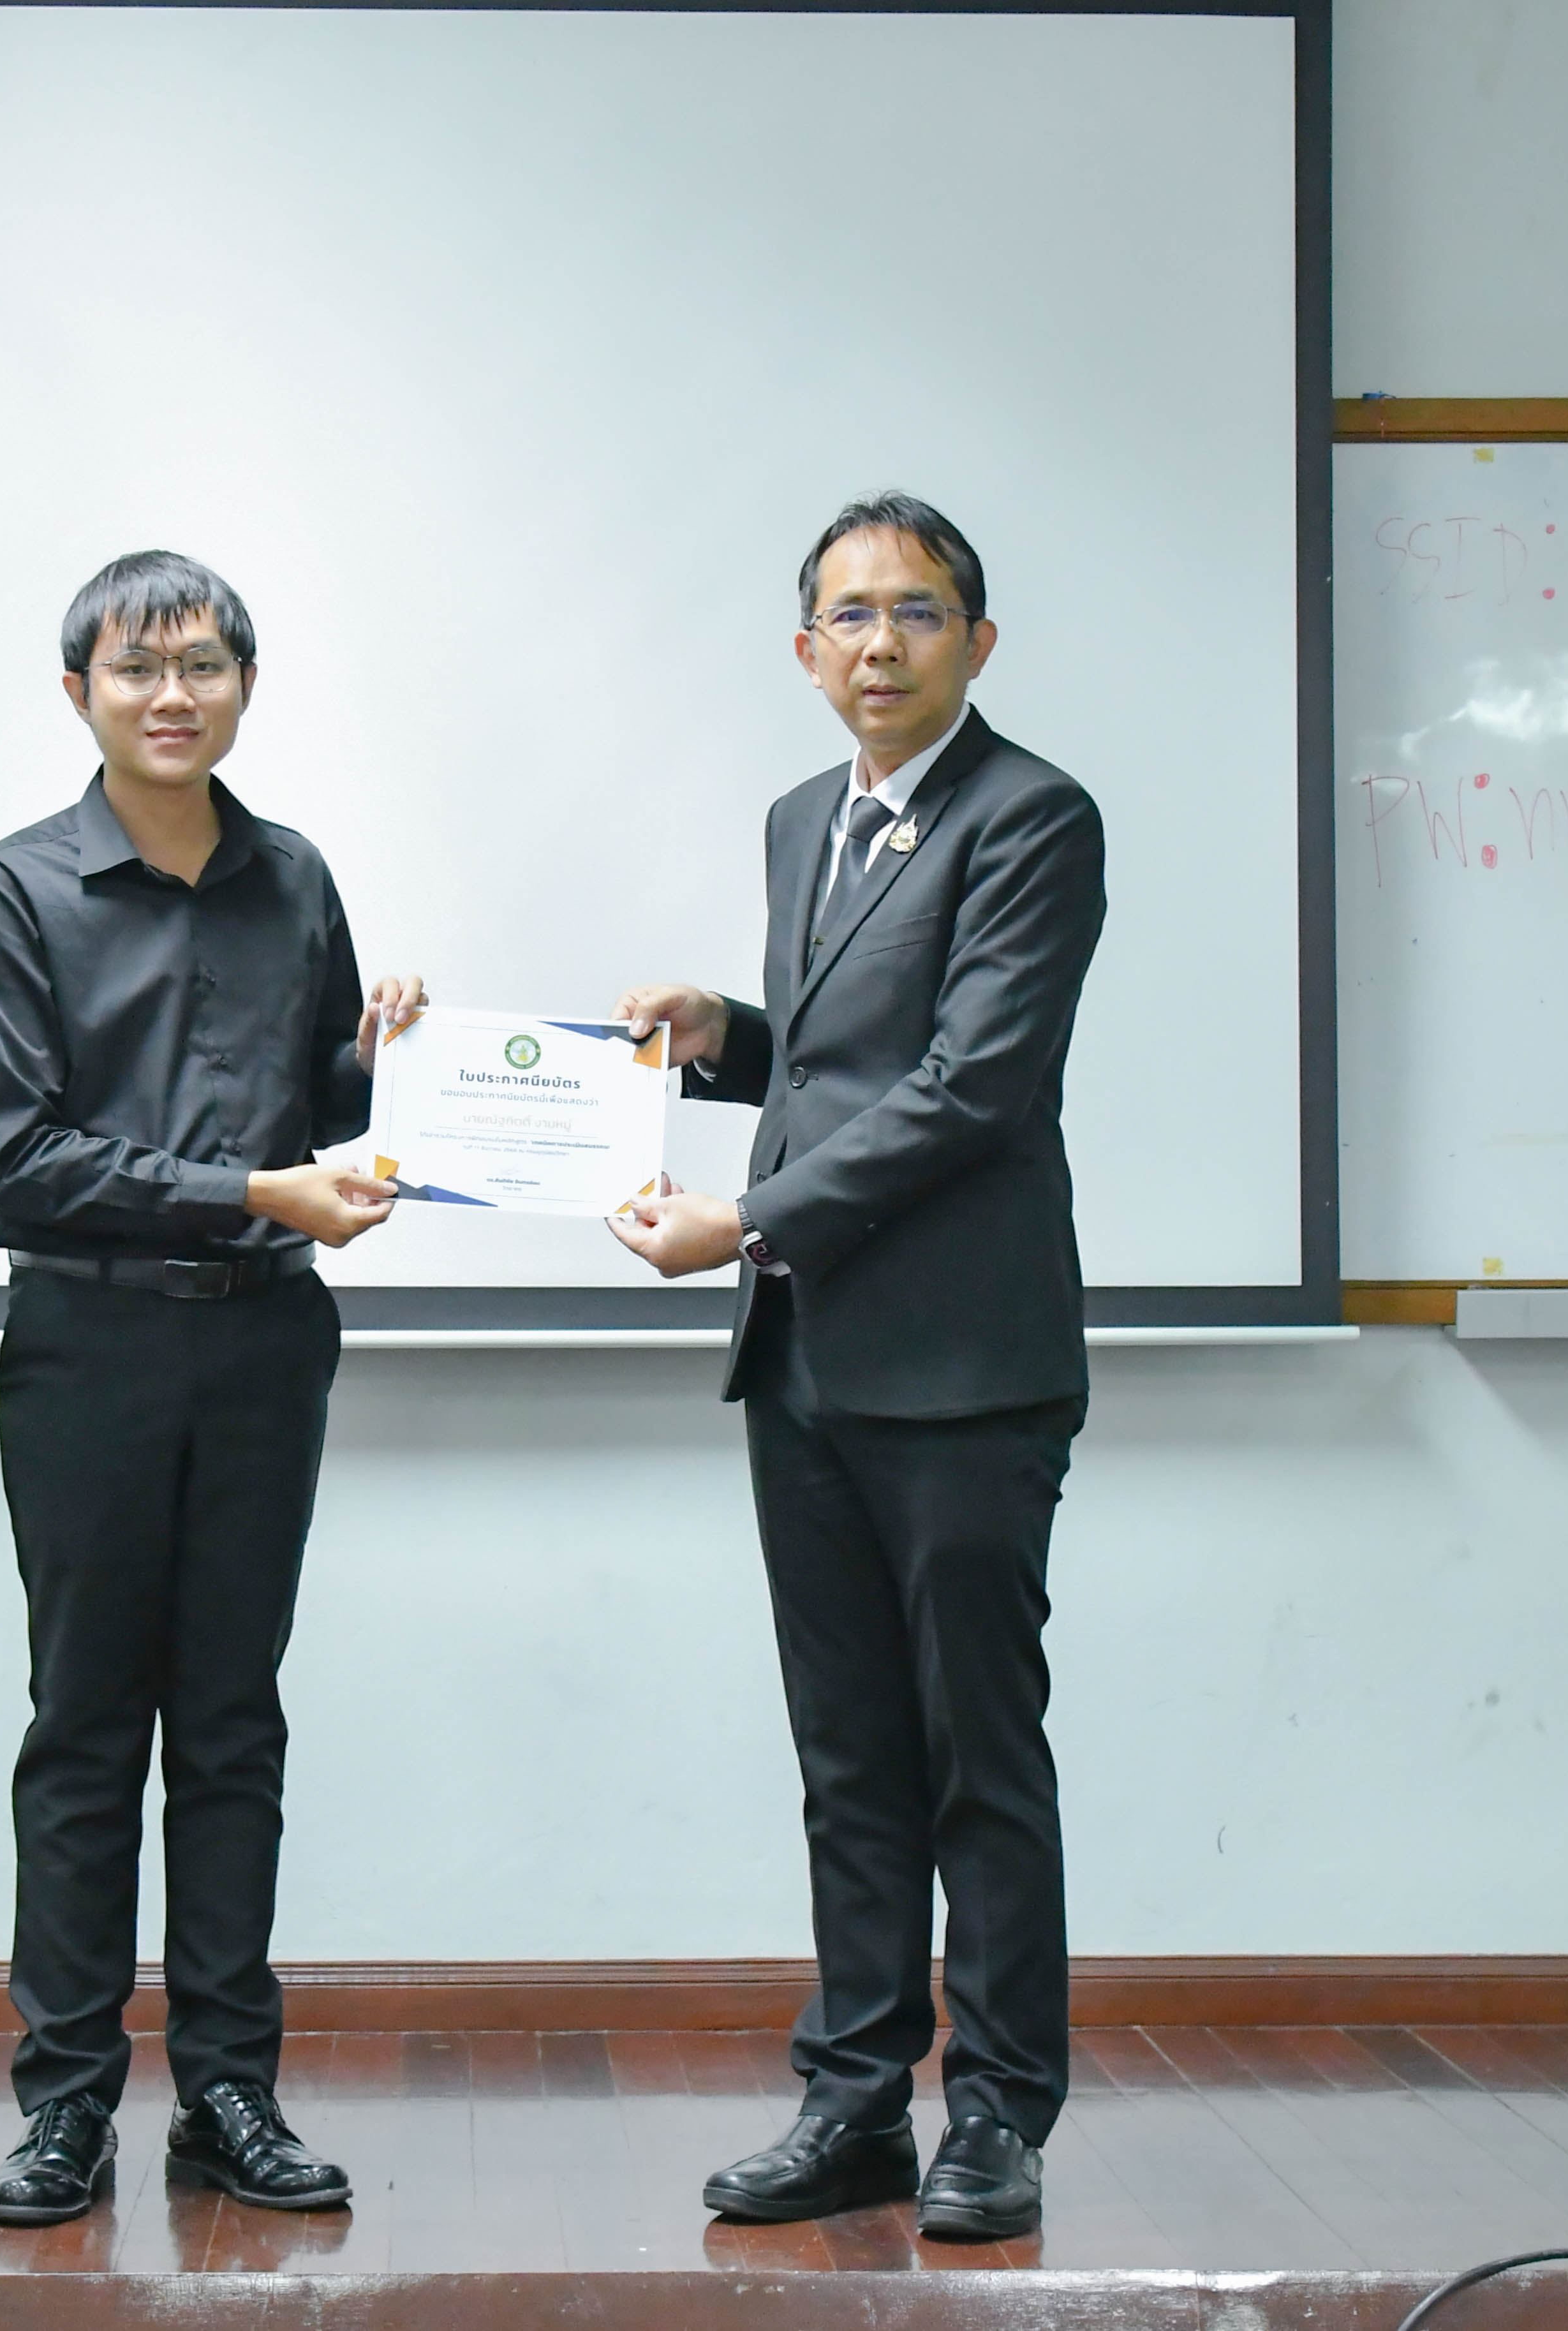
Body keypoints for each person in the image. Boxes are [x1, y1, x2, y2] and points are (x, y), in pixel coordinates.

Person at [612, 493, 1106, 2241]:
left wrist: (744, 1220)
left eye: (916, 612)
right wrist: (724, 1042)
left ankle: (1000, 2117)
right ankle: (853, 2103)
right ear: (805, 649)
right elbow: (844, 1065)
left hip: (964, 1367)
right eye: (849, 615)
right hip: (810, 1360)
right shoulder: (802, 821)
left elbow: (973, 1089)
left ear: (978, 640)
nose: (880, 644)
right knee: (848, 1755)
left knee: (978, 1754)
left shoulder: (1032, 816)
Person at [0, 550, 422, 2228]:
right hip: (88, 1348)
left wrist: (389, 1063)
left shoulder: (294, 878)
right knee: (87, 1730)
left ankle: (230, 2093)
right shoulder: (16, 892)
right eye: (139, 668)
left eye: (205, 666)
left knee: (231, 1727)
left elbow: (322, 1111)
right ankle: (66, 2104)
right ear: (77, 689)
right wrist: (250, 1191)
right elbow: (18, 1163)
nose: (174, 695)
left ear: (244, 686)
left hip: (264, 1345)